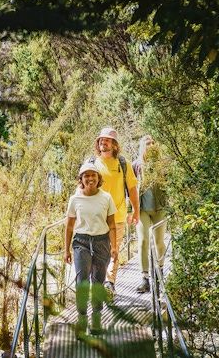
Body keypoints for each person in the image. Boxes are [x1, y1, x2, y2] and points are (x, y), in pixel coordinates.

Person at [65, 162, 118, 337]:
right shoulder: (75, 199)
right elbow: (70, 225)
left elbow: (111, 224)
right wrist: (66, 249)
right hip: (81, 242)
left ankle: (96, 317)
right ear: (81, 179)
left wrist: (114, 247)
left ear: (98, 178)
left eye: (93, 175)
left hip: (102, 242)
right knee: (82, 281)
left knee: (98, 280)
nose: (90, 178)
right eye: (86, 176)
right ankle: (81, 318)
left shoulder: (106, 197)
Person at [87, 127, 140, 301]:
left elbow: (132, 189)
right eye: (101, 139)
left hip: (117, 216)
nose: (104, 142)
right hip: (95, 217)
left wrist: (136, 212)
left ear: (114, 144)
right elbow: (82, 188)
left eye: (108, 140)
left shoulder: (123, 164)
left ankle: (109, 285)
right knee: (96, 253)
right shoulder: (92, 162)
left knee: (113, 252)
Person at [132, 134, 168, 292]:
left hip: (160, 208)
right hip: (142, 209)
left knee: (159, 241)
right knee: (143, 241)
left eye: (153, 143)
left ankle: (159, 273)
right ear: (142, 147)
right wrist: (130, 210)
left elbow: (170, 186)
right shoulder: (136, 166)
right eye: (148, 143)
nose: (151, 145)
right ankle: (145, 278)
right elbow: (130, 189)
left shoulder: (163, 165)